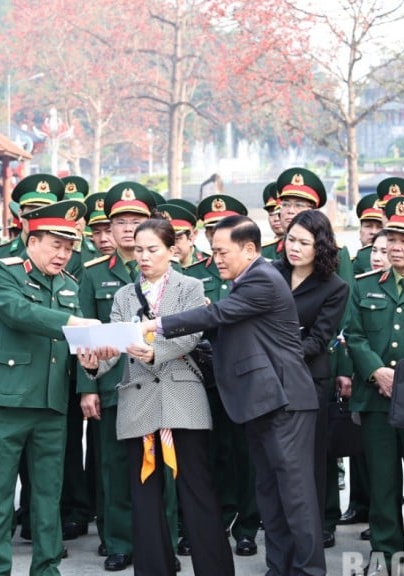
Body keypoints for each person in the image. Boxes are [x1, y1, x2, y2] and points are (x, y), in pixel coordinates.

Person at [141, 215, 325, 576]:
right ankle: (280, 567)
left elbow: (218, 315)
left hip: (285, 402)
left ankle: (308, 570)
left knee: (296, 496)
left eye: (223, 251)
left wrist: (159, 324)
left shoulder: (262, 280)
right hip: (261, 403)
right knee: (271, 495)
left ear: (249, 249)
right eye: (213, 251)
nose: (217, 258)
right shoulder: (246, 281)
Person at [80, 218, 234, 576]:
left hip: (183, 398)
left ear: (172, 250)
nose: (144, 257)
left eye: (152, 249)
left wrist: (153, 352)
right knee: (144, 495)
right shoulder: (122, 295)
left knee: (197, 490)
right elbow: (115, 349)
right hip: (137, 400)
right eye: (138, 250)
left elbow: (193, 335)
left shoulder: (190, 287)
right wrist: (93, 364)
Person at [0, 199, 95, 575]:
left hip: (50, 404)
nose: (63, 255)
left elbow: (76, 343)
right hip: (5, 403)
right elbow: (18, 313)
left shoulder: (70, 285)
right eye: (55, 245)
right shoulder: (1, 271)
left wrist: (90, 358)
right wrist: (75, 324)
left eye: (69, 247)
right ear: (32, 238)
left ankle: (47, 568)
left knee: (47, 497)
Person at [79, 183, 180, 571]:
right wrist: (87, 387)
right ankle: (118, 541)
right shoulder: (92, 275)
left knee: (166, 467)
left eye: (135, 221)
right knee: (116, 468)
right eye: (118, 222)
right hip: (113, 385)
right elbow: (86, 337)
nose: (125, 229)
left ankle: (164, 541)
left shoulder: (173, 274)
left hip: (161, 384)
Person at [344, 196, 404, 574]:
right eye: (391, 239)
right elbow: (354, 333)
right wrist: (376, 371)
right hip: (376, 398)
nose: (396, 247)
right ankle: (385, 551)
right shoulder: (364, 286)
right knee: (383, 481)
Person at [182, 194, 260, 558]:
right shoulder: (195, 274)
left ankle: (247, 527)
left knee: (245, 457)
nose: (217, 239)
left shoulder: (256, 273)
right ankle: (215, 523)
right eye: (212, 230)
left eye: (224, 229)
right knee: (210, 456)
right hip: (203, 379)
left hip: (243, 380)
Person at [273, 208, 349, 564]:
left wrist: (274, 353)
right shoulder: (270, 273)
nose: (295, 248)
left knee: (308, 466)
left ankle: (309, 550)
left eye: (304, 242)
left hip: (308, 383)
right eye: (291, 239)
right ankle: (280, 549)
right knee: (274, 466)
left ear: (320, 247)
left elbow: (319, 339)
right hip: (268, 383)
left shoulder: (334, 286)